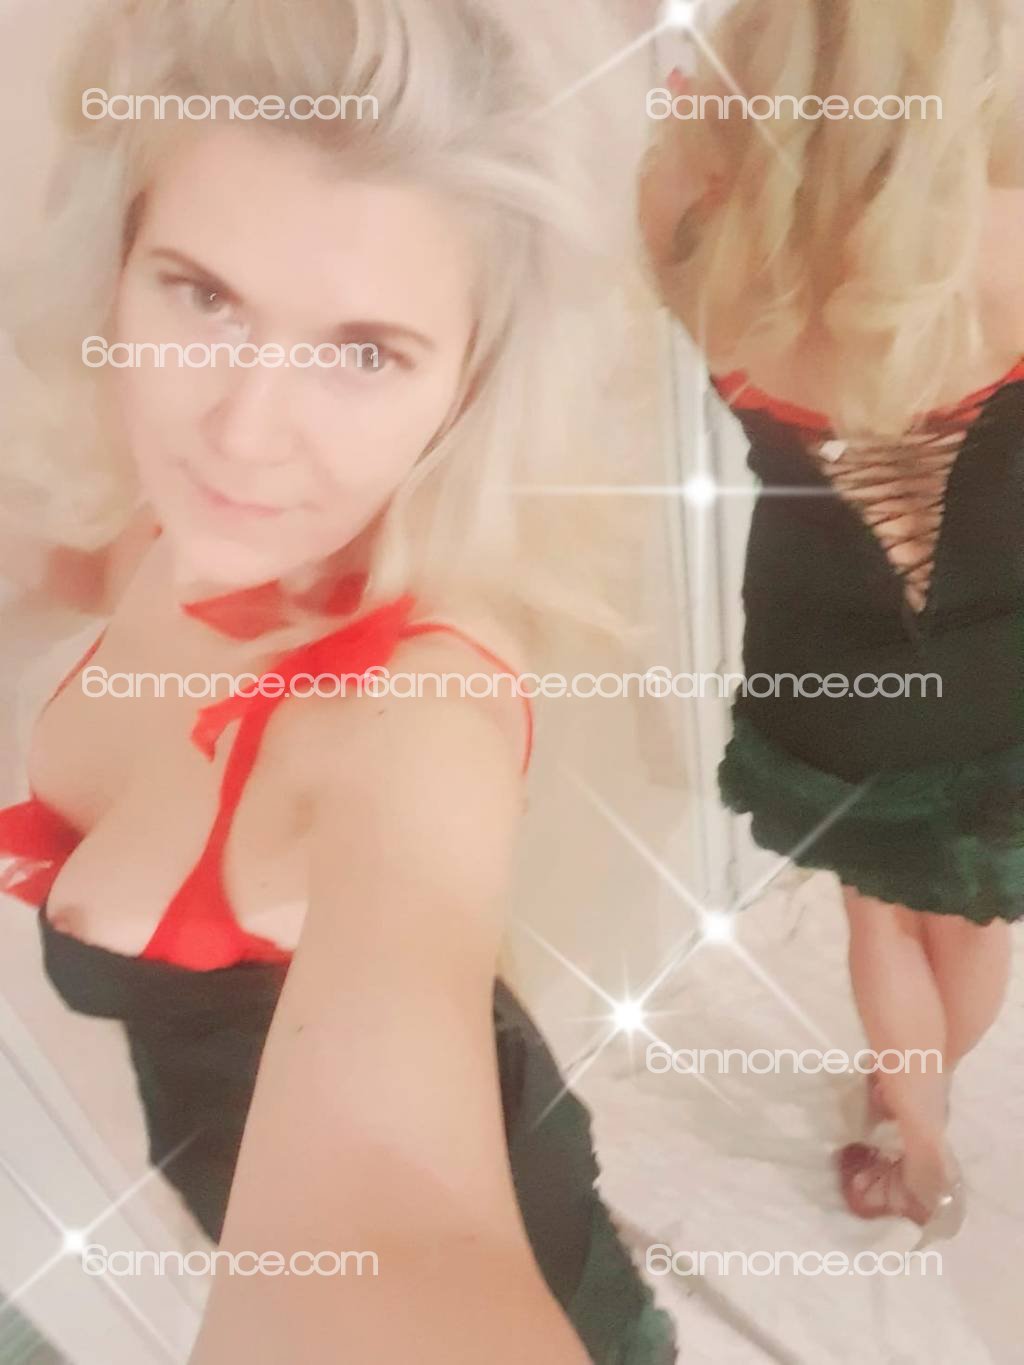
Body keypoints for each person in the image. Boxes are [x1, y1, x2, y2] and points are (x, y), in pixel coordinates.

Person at [0, 1, 677, 1360]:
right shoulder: (176, 528)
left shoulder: (413, 724)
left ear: (470, 387)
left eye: (364, 353)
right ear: (116, 266)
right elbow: (61, 566)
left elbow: (400, 1228)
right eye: (201, 296)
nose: (245, 432)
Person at [639, 0, 1024, 1241]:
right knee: (970, 913)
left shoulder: (690, 210)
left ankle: (917, 1150)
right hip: (1001, 653)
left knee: (876, 912)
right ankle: (921, 1100)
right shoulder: (1009, 229)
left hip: (824, 655)